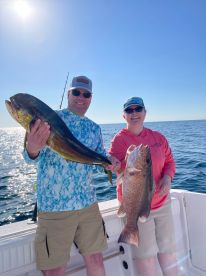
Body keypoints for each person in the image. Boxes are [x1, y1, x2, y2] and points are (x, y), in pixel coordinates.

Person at [23, 75, 120, 276]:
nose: (81, 97)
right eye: (76, 92)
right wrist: (32, 148)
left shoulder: (94, 128)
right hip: (54, 207)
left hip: (88, 204)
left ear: (91, 98)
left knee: (96, 260)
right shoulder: (46, 120)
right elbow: (29, 157)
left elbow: (98, 157)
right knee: (55, 270)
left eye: (86, 94)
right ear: (69, 94)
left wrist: (109, 163)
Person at [109, 97, 178, 276]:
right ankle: (130, 228)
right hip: (135, 205)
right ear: (124, 115)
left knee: (168, 250)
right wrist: (115, 163)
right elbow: (112, 164)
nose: (134, 113)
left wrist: (168, 178)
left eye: (138, 109)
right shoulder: (119, 140)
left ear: (145, 113)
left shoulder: (158, 137)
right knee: (146, 256)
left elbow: (170, 162)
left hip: (162, 203)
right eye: (129, 110)